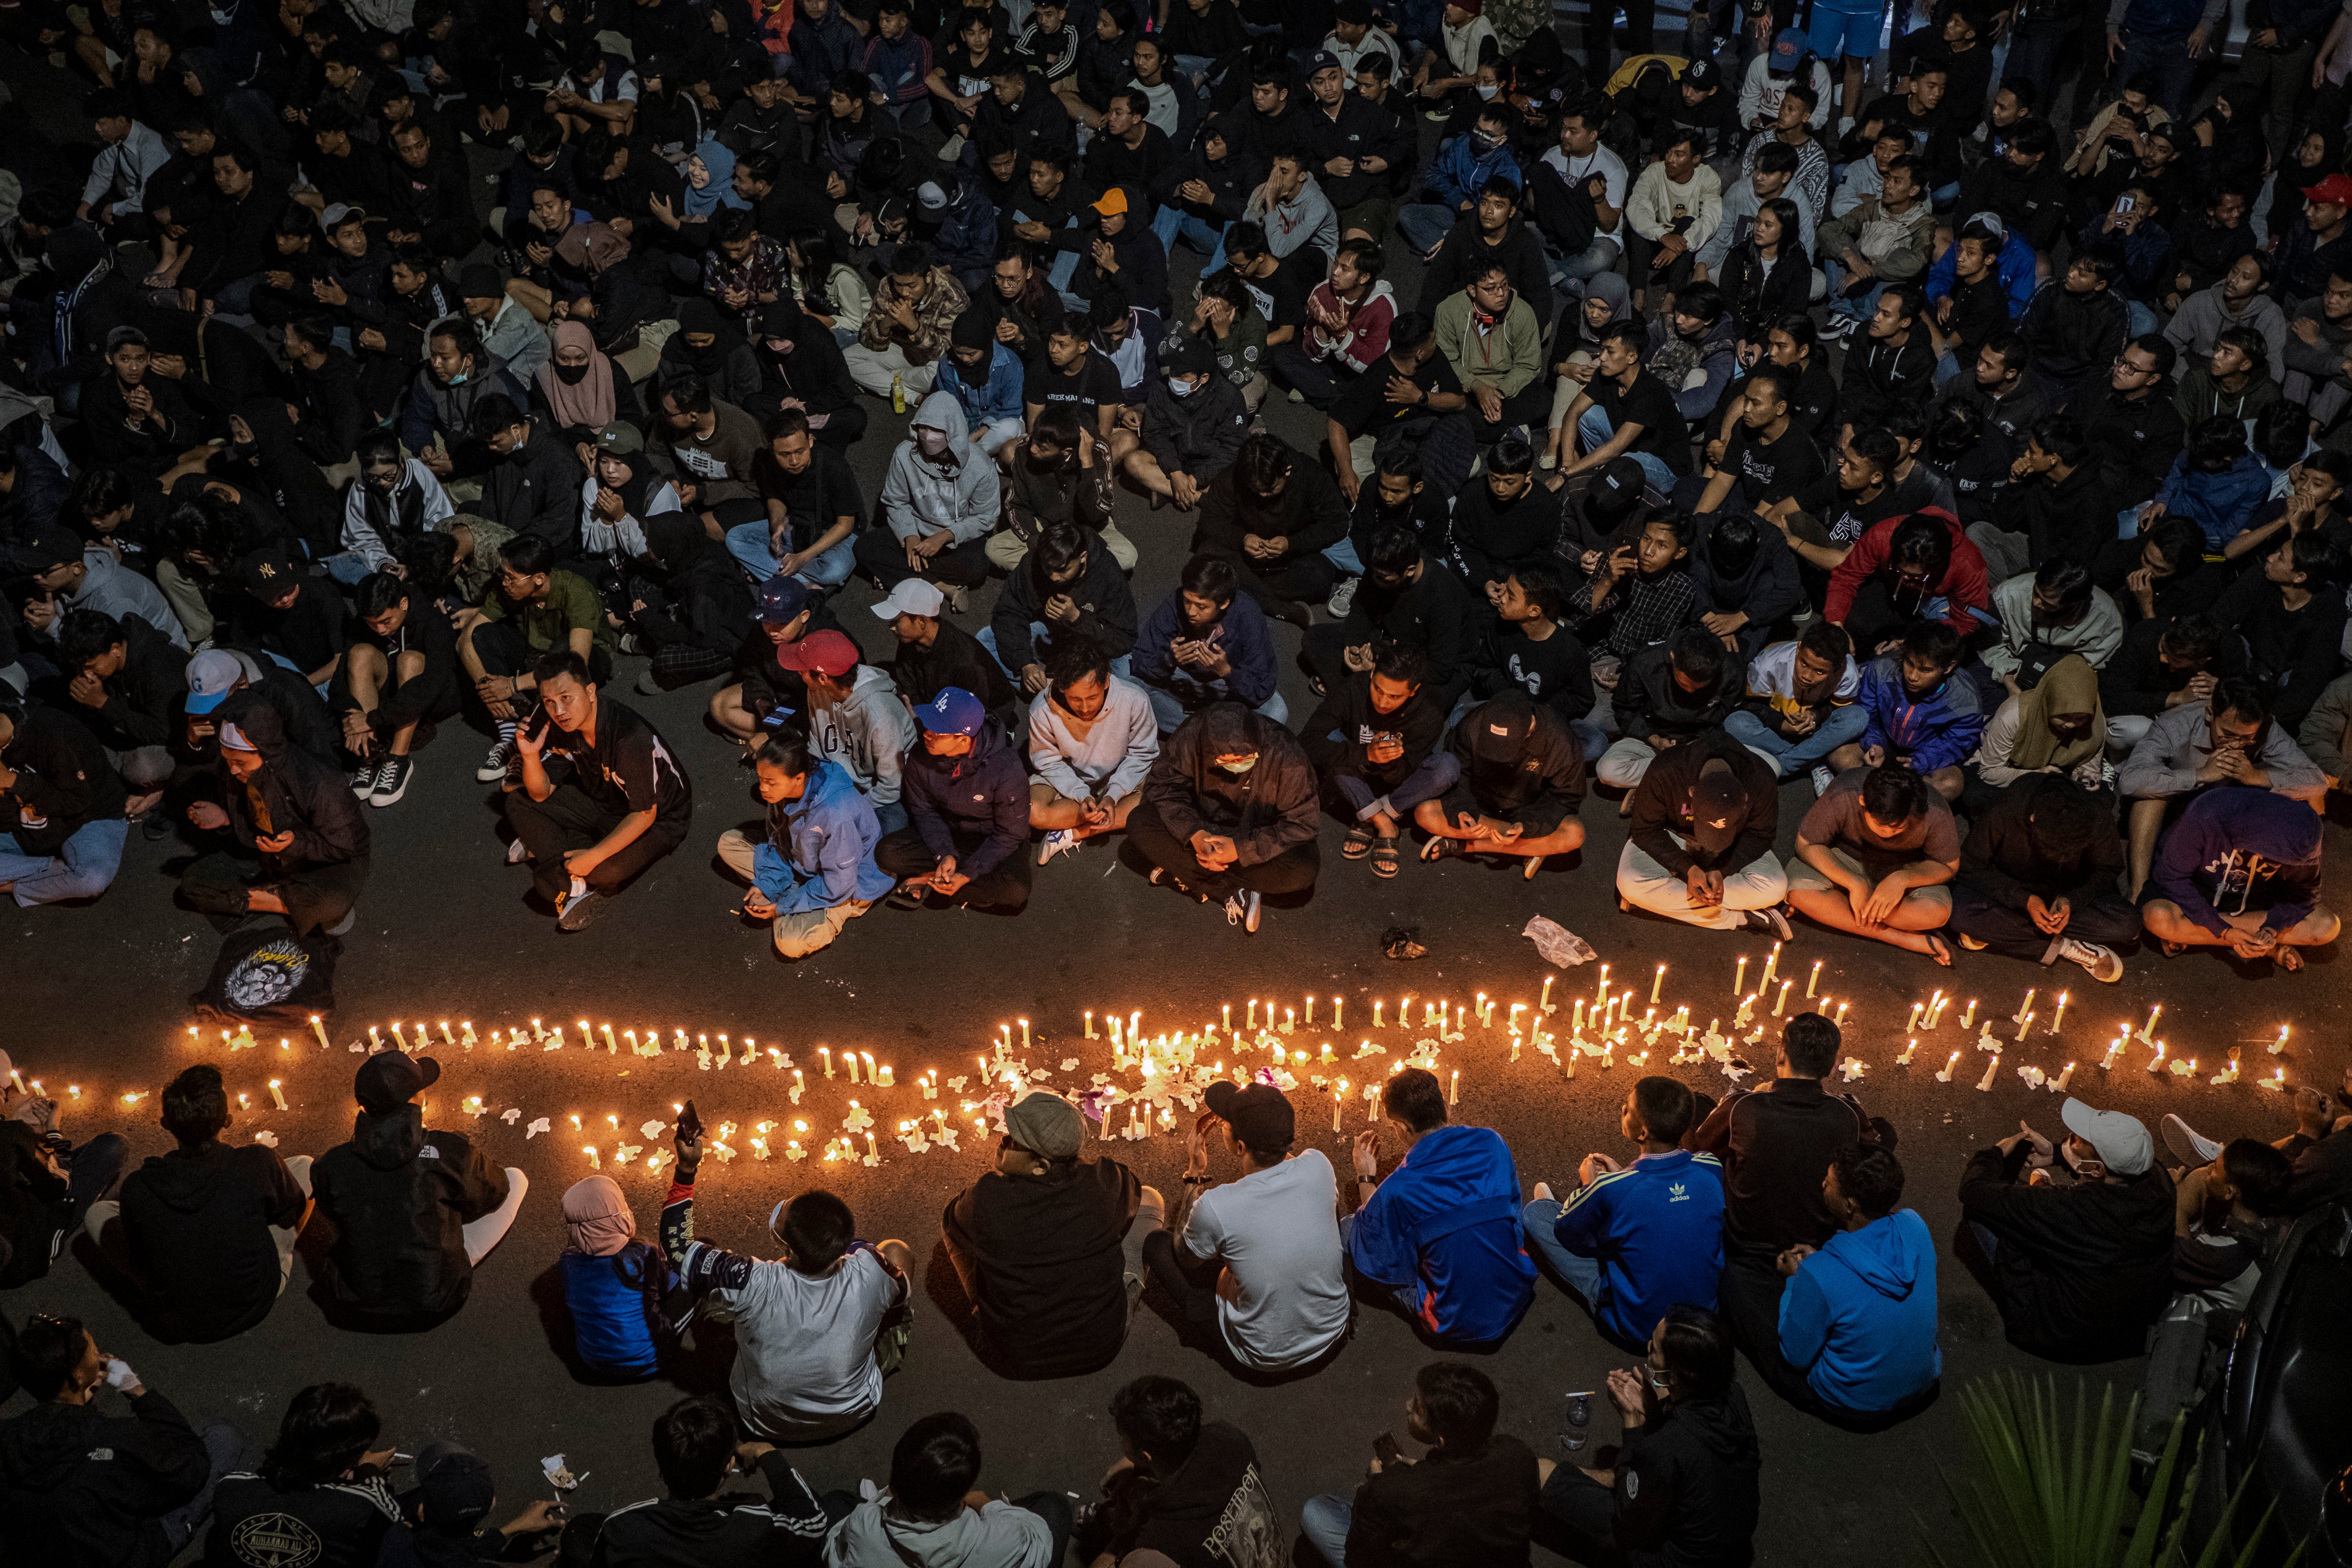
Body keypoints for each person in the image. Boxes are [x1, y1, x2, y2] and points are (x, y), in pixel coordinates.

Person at [1690, 1011, 1885, 1371]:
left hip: (1743, 1240)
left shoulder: (1743, 1108)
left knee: (1702, 1123)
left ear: (1781, 1054)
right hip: (1813, 1242)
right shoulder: (1848, 1116)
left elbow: (1698, 1152)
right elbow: (1874, 1153)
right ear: (1831, 1065)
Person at [676, 1164, 914, 1442]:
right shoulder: (871, 1269)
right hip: (856, 1410)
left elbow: (678, 1252)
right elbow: (897, 1273)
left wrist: (686, 1169)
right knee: (897, 1251)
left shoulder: (754, 1281)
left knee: (712, 1303)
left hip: (763, 1424)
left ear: (788, 1249)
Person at [941, 1089, 1155, 1376]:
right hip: (1101, 1346)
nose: (1003, 1141)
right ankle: (1126, 1285)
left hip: (1013, 1359)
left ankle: (982, 1305)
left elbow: (953, 1221)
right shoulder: (1106, 1180)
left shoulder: (987, 1199)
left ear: (1041, 1167)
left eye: (1016, 1142)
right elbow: (1131, 1192)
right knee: (1151, 1200)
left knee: (954, 1230)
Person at [89, 1064, 309, 1343]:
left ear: (166, 1124)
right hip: (254, 1300)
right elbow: (293, 1209)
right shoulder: (256, 1162)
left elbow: (140, 1254)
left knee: (98, 1213)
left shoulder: (138, 1187)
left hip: (181, 1319)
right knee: (303, 1168)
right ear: (227, 1120)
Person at [1531, 1306, 1762, 1568]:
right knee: (1625, 1474)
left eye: (1654, 1350)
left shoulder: (1670, 1446)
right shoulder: (1733, 1395)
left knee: (1542, 1471)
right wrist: (1655, 1412)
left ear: (1674, 1376)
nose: (1647, 1350)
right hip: (1726, 1542)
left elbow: (1629, 1517)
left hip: (1664, 1559)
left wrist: (1633, 1423)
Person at [310, 1051, 527, 1326]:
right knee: (517, 1179)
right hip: (436, 1299)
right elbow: (494, 1191)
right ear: (417, 1100)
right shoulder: (449, 1151)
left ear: (362, 1104)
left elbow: (332, 1212)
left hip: (356, 1301)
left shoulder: (332, 1163)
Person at [1147, 1080, 1349, 1372]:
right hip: (1332, 1339)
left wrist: (1195, 1171)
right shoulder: (1319, 1165)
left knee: (1159, 1244)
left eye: (1226, 1125)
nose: (1222, 1127)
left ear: (1240, 1146)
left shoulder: (1218, 1205)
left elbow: (1186, 1260)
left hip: (1262, 1360)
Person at [1957, 1098, 2174, 1362]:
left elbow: (1973, 1191)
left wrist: (1995, 1154)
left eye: (2079, 1140)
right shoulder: (2158, 1179)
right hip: (2128, 1332)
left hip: (2065, 1335)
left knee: (1985, 1215)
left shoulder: (2075, 1210)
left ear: (2097, 1170)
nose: (2072, 1137)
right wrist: (2058, 1153)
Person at [0, 1313, 222, 1568]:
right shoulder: (116, 1438)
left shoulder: (7, 1437)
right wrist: (136, 1390)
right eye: (94, 1354)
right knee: (223, 1440)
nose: (99, 1356)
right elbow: (191, 1469)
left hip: (46, 1552)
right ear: (78, 1377)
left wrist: (79, 1402)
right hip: (123, 1556)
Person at [1522, 1076, 1725, 1351]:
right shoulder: (1710, 1167)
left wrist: (1591, 1185)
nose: (1622, 1110)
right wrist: (1625, 1178)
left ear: (1642, 1133)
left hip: (1635, 1329)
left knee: (1538, 1214)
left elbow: (1570, 1236)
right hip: (1701, 1325)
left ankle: (1599, 1293)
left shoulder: (1609, 1189)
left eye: (1627, 1108)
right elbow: (1664, 1202)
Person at [1748, 1145, 1941, 1429]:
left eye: (1829, 1183)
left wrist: (1795, 1280)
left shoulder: (1819, 1273)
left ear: (1850, 1205)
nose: (1823, 1185)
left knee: (1750, 1303)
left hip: (1856, 1405)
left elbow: (1796, 1356)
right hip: (1923, 1385)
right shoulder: (1915, 1226)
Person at [502, 649, 692, 932]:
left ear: (590, 691)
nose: (559, 711)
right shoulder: (557, 719)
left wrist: (594, 857)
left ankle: (561, 853)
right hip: (604, 802)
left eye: (567, 698)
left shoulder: (629, 739)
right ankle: (571, 864)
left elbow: (644, 813)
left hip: (658, 819)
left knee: (604, 870)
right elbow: (541, 794)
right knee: (518, 802)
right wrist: (530, 756)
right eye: (549, 702)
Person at [1344, 1067, 1536, 1347]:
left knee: (1351, 1228)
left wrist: (1366, 1175)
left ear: (1404, 1128)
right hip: (1516, 1294)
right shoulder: (1492, 1142)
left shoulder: (1400, 1187)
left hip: (1453, 1321)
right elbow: (1514, 1213)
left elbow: (1379, 1253)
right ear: (1445, 1109)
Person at [1299, 1362, 1539, 1568]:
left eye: (1416, 1408)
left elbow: (1358, 1556)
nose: (1407, 1406)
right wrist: (1425, 1473)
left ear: (1440, 1440)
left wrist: (1374, 1486)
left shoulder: (1392, 1491)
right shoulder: (1517, 1455)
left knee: (1316, 1512)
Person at [178, 698, 371, 939]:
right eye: (228, 760)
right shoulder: (234, 772)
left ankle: (296, 903)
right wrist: (225, 818)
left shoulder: (321, 783)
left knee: (329, 902)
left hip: (321, 860)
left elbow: (346, 847)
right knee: (193, 883)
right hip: (267, 858)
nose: (233, 770)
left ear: (266, 754)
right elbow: (249, 826)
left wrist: (295, 843)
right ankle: (289, 903)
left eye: (240, 763)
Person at [2118, 679, 2327, 897]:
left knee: (2310, 798)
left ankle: (2274, 888)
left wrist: (2255, 776)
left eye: (2246, 738)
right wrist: (2201, 775)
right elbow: (2131, 780)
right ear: (2210, 714)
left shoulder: (2267, 727)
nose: (2236, 745)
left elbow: (2317, 780)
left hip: (2229, 799)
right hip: (2180, 797)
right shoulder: (2176, 724)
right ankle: (2138, 891)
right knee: (2149, 797)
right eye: (2228, 734)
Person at [574, 1395, 828, 1566]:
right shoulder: (754, 1525)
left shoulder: (622, 1526)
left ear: (662, 1467)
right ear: (729, 1466)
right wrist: (766, 1453)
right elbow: (815, 1524)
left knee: (580, 1529)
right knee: (813, 1499)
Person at [716, 730, 893, 960]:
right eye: (760, 779)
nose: (763, 788)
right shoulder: (784, 790)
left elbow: (838, 885)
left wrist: (782, 906)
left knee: (789, 944)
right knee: (729, 843)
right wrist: (766, 885)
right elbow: (778, 838)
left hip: (847, 886)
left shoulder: (836, 813)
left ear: (798, 778)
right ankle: (788, 892)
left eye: (770, 782)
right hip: (804, 863)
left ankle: (795, 903)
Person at [1071, 1377, 1281, 1568]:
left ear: (1147, 1456)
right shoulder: (1230, 1438)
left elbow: (1150, 1545)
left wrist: (1121, 1545)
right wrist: (1133, 1465)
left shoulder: (1158, 1545)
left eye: (1122, 1438)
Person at [1949, 777, 2140, 981]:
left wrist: (2071, 901)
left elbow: (2108, 868)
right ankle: (2066, 947)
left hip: (2068, 893)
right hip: (2012, 890)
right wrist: (2024, 899)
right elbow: (1971, 866)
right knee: (1960, 913)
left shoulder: (2094, 815)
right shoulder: (2007, 809)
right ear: (2033, 819)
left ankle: (2004, 932)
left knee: (2129, 924)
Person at [825, 1412, 1067, 1568]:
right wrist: (987, 1504)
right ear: (965, 1492)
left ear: (895, 1479)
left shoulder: (863, 1526)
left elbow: (835, 1553)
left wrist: (879, 1505)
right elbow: (1039, 1541)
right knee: (1055, 1506)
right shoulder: (1002, 1539)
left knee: (837, 1502)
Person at [1302, 642, 1455, 881]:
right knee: (1331, 740)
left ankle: (1370, 814)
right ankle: (1384, 823)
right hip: (1355, 771)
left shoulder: (1430, 713)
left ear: (1413, 691)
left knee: (1448, 766)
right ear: (1372, 674)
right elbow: (1308, 741)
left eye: (1395, 696)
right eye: (1378, 689)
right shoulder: (1353, 687)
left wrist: (1389, 761)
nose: (1383, 702)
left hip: (1398, 786)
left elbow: (1403, 775)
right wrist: (1366, 754)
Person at [2141, 786, 2340, 969]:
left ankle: (2199, 937)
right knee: (2158, 918)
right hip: (2198, 890)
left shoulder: (2301, 833)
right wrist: (2225, 931)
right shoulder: (2206, 814)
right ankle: (2263, 948)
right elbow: (2171, 878)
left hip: (2253, 898)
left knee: (2326, 927)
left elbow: (2305, 894)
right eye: (2275, 861)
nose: (2279, 867)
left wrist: (2271, 930)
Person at [1617, 729, 1791, 936]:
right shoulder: (1665, 770)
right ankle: (1743, 917)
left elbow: (1760, 835)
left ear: (1745, 798)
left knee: (1776, 888)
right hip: (1675, 834)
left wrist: (1722, 869)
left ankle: (1662, 901)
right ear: (1691, 793)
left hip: (1734, 842)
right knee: (1630, 883)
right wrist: (1688, 868)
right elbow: (1645, 830)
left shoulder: (1760, 778)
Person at [1418, 691, 1587, 876]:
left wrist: (1528, 826)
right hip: (1481, 808)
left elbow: (1565, 797)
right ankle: (1528, 848)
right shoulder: (1472, 723)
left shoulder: (1559, 737)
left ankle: (1469, 846)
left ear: (1529, 730)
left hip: (1529, 811)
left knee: (1574, 834)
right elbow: (1458, 774)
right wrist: (1462, 808)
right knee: (1425, 813)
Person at [1028, 639, 1157, 866]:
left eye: (1092, 698)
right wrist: (1082, 795)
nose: (1085, 708)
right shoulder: (1042, 710)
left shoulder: (1134, 699)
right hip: (1067, 779)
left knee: (1162, 799)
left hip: (1119, 775)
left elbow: (1142, 754)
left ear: (1106, 681)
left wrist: (1112, 795)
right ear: (1061, 687)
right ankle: (1100, 816)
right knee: (1032, 812)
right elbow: (1048, 762)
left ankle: (1073, 833)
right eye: (1075, 699)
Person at [783, 629, 920, 834]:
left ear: (823, 678)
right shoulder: (816, 690)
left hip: (881, 793)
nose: (798, 673)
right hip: (842, 780)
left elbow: (892, 787)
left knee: (891, 833)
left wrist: (850, 810)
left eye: (802, 670)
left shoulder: (880, 715)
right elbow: (817, 746)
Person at [1131, 555, 1286, 733]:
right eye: (1187, 601)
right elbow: (1140, 661)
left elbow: (1261, 686)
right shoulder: (1174, 603)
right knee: (1132, 689)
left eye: (1202, 607)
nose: (1191, 611)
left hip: (1227, 688)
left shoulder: (1247, 614)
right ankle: (1215, 732)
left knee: (1277, 709)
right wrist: (1169, 659)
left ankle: (1196, 731)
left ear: (1224, 603)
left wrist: (1226, 671)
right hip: (1182, 681)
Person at [861, 392, 998, 593]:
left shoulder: (981, 466)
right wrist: (909, 535)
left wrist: (947, 535)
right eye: (928, 452)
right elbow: (895, 501)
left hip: (954, 538)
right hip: (915, 529)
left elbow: (985, 517)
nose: (937, 460)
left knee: (979, 567)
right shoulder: (904, 454)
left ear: (956, 441)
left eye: (943, 452)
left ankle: (898, 576)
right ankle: (943, 587)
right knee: (863, 548)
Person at [1834, 620, 1984, 803]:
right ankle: (1891, 797)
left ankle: (1885, 797)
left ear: (1948, 667)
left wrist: (1922, 761)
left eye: (1926, 670)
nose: (1913, 676)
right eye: (1909, 663)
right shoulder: (1881, 670)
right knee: (1840, 757)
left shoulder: (1965, 701)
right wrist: (1875, 743)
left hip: (1924, 757)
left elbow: (1957, 743)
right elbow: (1865, 711)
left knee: (1950, 785)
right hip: (1885, 743)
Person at [986, 520, 1138, 699]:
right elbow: (1008, 613)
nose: (1053, 577)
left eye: (1063, 570)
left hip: (1097, 644)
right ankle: (1053, 688)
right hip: (1054, 637)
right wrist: (1025, 664)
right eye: (1048, 569)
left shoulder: (1108, 573)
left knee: (1123, 680)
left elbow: (1125, 637)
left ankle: (1058, 692)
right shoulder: (1032, 563)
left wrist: (1077, 618)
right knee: (986, 641)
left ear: (1083, 557)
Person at [0, 694, 127, 907]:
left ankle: (15, 884)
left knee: (91, 879)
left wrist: (14, 781)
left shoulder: (53, 734)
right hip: (25, 829)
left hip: (85, 820)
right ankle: (51, 872)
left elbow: (76, 801)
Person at [1597, 625, 1746, 794]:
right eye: (1684, 684)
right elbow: (1624, 709)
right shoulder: (1646, 661)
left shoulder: (1733, 670)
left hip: (1700, 742)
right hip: (1650, 736)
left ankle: (1655, 786)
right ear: (1672, 658)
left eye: (1700, 688)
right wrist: (1655, 739)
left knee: (1770, 765)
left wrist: (1706, 745)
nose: (1690, 691)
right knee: (1608, 771)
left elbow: (1727, 715)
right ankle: (1688, 783)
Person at [1728, 622, 1865, 792]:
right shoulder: (1769, 662)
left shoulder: (1848, 673)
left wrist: (1816, 716)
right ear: (1799, 648)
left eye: (1820, 672)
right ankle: (1814, 761)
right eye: (1804, 663)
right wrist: (1782, 724)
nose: (1807, 676)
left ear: (1838, 668)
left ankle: (1784, 764)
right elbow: (1750, 705)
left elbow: (1838, 710)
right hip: (1776, 733)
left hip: (1818, 732)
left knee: (1859, 716)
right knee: (1734, 722)